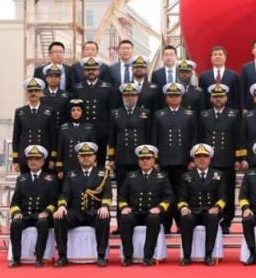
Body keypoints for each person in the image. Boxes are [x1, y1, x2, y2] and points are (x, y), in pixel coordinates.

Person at [53, 142, 112, 267]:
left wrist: (104, 206)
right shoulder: (71, 174)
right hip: (76, 212)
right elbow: (65, 193)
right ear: (78, 157)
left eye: (89, 155)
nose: (86, 158)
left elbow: (107, 193)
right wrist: (62, 206)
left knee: (104, 217)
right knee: (59, 218)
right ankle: (62, 256)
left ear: (94, 157)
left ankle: (101, 255)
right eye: (83, 156)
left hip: (94, 211)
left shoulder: (103, 174)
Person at [152, 82, 197, 231]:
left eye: (176, 95)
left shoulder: (189, 115)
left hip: (182, 160)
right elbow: (154, 139)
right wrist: (155, 160)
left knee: (181, 192)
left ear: (181, 97)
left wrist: (192, 159)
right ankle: (166, 223)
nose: (173, 98)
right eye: (171, 96)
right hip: (164, 161)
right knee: (165, 193)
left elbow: (194, 138)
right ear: (166, 98)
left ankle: (181, 223)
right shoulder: (159, 115)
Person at [118, 145, 173, 266]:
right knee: (125, 219)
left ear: (154, 160)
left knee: (154, 219)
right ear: (138, 161)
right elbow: (121, 195)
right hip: (134, 212)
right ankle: (127, 257)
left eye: (148, 158)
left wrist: (159, 208)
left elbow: (169, 197)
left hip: (151, 212)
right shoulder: (131, 176)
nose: (145, 161)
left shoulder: (162, 177)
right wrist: (124, 207)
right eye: (142, 158)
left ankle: (148, 257)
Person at [198, 83, 241, 234]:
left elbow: (238, 137)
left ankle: (226, 221)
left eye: (221, 96)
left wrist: (238, 158)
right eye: (215, 96)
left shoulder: (234, 114)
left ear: (226, 98)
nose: (218, 99)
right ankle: (210, 218)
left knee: (227, 191)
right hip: (209, 160)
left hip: (228, 159)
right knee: (210, 190)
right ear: (211, 98)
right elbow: (200, 137)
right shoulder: (204, 115)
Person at [9, 145, 58, 268]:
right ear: (27, 161)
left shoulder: (50, 179)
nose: (33, 161)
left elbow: (54, 201)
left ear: (42, 162)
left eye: (37, 159)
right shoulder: (21, 179)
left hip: (41, 216)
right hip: (25, 215)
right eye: (30, 159)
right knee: (15, 223)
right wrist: (16, 213)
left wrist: (47, 212)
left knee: (43, 223)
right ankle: (16, 258)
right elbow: (15, 202)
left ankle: (39, 258)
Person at [178, 143, 226, 266]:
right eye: (198, 157)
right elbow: (182, 197)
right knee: (186, 218)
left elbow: (223, 196)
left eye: (205, 156)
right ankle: (186, 256)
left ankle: (208, 255)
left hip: (209, 210)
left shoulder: (218, 175)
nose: (202, 159)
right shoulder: (186, 176)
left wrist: (217, 207)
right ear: (194, 159)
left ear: (210, 159)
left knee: (212, 218)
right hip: (192, 210)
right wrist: (184, 207)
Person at [107, 83, 152, 212]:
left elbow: (149, 137)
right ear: (122, 97)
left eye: (133, 95)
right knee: (122, 189)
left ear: (137, 97)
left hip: (140, 158)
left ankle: (138, 214)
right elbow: (112, 138)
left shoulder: (145, 113)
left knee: (139, 188)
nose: (130, 98)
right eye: (127, 95)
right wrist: (111, 158)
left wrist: (151, 158)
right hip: (121, 158)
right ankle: (121, 218)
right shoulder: (115, 113)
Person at [71, 57, 116, 167]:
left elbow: (111, 111)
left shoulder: (107, 87)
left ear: (99, 71)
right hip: (83, 131)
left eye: (94, 69)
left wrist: (110, 131)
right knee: (82, 161)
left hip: (102, 131)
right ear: (84, 71)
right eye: (88, 69)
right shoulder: (77, 88)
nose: (91, 72)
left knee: (100, 162)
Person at [11, 78, 56, 174]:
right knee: (26, 181)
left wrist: (53, 158)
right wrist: (15, 160)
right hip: (25, 157)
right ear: (27, 93)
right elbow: (16, 137)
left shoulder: (49, 111)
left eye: (36, 91)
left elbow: (53, 136)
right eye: (30, 91)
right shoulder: (20, 112)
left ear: (41, 93)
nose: (33, 93)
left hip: (44, 157)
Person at [55, 99, 96, 180]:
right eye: (73, 110)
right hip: (68, 165)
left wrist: (93, 164)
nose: (76, 112)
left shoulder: (90, 127)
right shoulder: (63, 128)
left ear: (82, 112)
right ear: (70, 112)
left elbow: (93, 149)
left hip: (84, 164)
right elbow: (60, 149)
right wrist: (59, 169)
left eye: (78, 110)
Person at [198, 46, 240, 110]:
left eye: (220, 54)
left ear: (225, 57)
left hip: (229, 112)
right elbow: (202, 98)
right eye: (215, 55)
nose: (217, 57)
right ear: (211, 58)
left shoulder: (234, 75)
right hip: (209, 112)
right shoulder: (203, 76)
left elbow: (236, 97)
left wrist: (237, 113)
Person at [41, 63, 71, 133]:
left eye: (56, 76)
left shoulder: (67, 95)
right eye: (51, 76)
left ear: (60, 79)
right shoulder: (41, 95)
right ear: (46, 78)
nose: (53, 79)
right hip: (45, 130)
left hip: (61, 131)